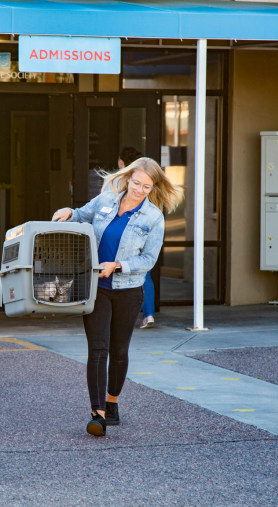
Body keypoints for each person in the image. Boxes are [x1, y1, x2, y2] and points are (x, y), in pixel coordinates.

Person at [52, 157, 183, 436]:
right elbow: (81, 214)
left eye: (147, 187)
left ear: (153, 187)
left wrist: (119, 265)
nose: (139, 190)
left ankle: (112, 402)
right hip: (97, 289)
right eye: (136, 183)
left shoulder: (153, 217)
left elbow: (149, 259)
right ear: (128, 178)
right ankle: (97, 414)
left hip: (129, 290)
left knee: (119, 351)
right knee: (98, 350)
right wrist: (68, 211)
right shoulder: (106, 200)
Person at [116, 148, 156, 330]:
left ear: (122, 163)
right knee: (144, 272)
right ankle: (148, 314)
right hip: (145, 231)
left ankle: (124, 313)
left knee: (123, 269)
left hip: (126, 234)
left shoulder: (126, 181)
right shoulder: (148, 181)